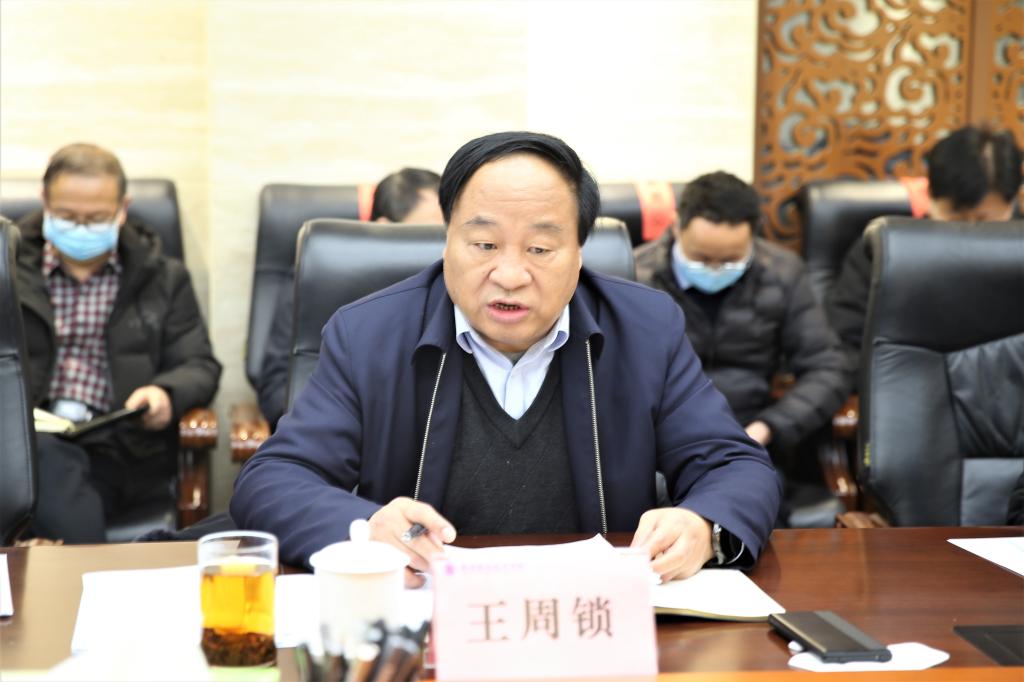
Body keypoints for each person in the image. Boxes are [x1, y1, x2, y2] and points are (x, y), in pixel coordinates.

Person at [232, 131, 781, 584]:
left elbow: (736, 465)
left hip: (593, 624)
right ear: (447, 240)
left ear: (579, 254)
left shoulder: (645, 329)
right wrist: (367, 529)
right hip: (427, 625)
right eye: (484, 245)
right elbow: (274, 478)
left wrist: (702, 524)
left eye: (540, 249)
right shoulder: (368, 333)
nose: (511, 274)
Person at [16, 143, 221, 543]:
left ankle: (60, 568)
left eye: (96, 218)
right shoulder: (6, 268)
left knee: (50, 470)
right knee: (40, 454)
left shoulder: (162, 277)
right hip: (24, 438)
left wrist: (165, 394)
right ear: (44, 202)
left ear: (122, 208)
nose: (80, 228)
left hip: (118, 444)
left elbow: (199, 364)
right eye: (66, 216)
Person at [635, 171, 848, 478]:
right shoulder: (634, 277)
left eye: (731, 260)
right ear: (677, 226)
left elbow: (828, 368)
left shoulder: (782, 273)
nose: (715, 269)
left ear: (753, 237)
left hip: (749, 438)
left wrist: (769, 427)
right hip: (655, 441)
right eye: (701, 258)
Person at [828, 126, 1023, 377]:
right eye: (957, 218)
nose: (970, 231)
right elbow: (844, 343)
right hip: (906, 385)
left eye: (984, 220)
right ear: (930, 196)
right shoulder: (887, 252)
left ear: (1011, 203)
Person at [256, 168, 443, 429]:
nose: (440, 247)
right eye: (430, 233)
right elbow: (276, 389)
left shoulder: (450, 286)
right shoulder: (320, 275)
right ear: (384, 228)